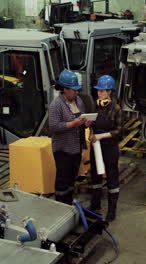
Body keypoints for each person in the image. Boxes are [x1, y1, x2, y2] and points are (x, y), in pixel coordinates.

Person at [49, 70, 88, 205]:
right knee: (62, 180)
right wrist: (74, 123)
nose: (76, 93)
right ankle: (60, 205)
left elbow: (83, 117)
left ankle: (69, 202)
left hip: (76, 148)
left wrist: (86, 123)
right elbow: (54, 127)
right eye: (74, 90)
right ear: (65, 89)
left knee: (72, 178)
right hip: (62, 150)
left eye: (77, 90)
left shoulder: (79, 101)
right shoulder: (56, 105)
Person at [89, 75, 123, 222]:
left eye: (103, 91)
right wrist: (90, 131)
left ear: (109, 92)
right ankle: (95, 205)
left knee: (111, 178)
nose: (100, 93)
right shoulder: (97, 106)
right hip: (96, 147)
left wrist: (101, 136)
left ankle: (111, 211)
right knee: (95, 176)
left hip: (110, 148)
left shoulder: (116, 108)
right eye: (98, 91)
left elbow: (119, 131)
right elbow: (93, 125)